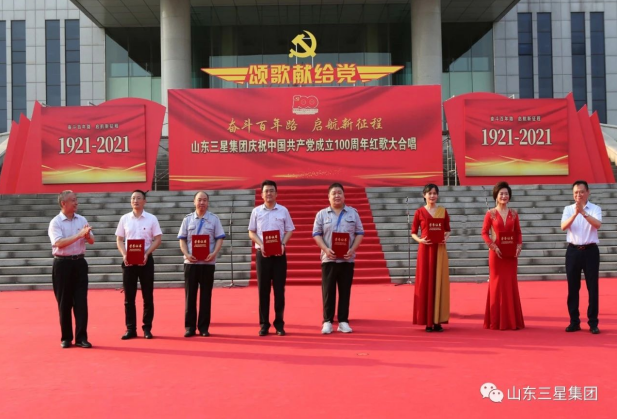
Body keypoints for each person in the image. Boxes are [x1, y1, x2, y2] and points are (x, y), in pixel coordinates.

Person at [313, 183, 364, 334]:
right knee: (328, 291)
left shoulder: (353, 213)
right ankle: (327, 321)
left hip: (347, 259)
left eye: (339, 193)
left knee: (345, 291)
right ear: (328, 197)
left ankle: (343, 321)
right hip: (329, 259)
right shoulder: (322, 214)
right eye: (333, 193)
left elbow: (360, 233)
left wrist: (352, 249)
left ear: (344, 195)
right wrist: (325, 249)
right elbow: (316, 234)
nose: (337, 196)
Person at [48, 190, 95, 348]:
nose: (76, 203)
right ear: (63, 203)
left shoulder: (81, 219)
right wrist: (79, 235)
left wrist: (87, 236)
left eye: (76, 199)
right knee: (64, 302)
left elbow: (92, 240)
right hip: (62, 265)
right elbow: (58, 243)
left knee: (81, 301)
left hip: (79, 263)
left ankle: (81, 337)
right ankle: (66, 338)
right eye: (73, 200)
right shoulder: (56, 222)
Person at [248, 180, 295, 336]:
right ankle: (264, 324)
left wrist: (283, 244)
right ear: (262, 194)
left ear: (276, 193)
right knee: (263, 290)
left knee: (279, 291)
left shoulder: (283, 210)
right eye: (266, 191)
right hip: (262, 255)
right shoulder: (256, 211)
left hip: (279, 255)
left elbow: (289, 229)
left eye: (272, 190)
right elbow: (251, 232)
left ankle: (279, 324)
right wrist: (261, 244)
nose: (269, 193)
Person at [115, 190, 162, 340]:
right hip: (129, 261)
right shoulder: (124, 219)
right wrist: (124, 254)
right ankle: (130, 329)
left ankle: (147, 328)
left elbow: (158, 239)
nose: (135, 200)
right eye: (133, 198)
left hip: (146, 261)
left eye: (138, 198)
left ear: (144, 201)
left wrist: (147, 253)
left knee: (147, 296)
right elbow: (119, 239)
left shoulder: (151, 219)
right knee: (129, 297)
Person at [178, 191, 226, 337]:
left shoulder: (214, 219)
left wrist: (214, 253)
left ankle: (204, 327)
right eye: (199, 200)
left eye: (205, 200)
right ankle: (190, 327)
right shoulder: (187, 219)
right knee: (190, 296)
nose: (202, 203)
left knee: (206, 296)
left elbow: (219, 238)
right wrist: (187, 254)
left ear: (208, 202)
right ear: (194, 202)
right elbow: (182, 240)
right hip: (190, 263)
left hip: (207, 263)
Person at [481, 181, 524, 330]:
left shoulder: (514, 214)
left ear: (509, 196)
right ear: (496, 196)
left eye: (506, 194)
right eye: (501, 194)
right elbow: (484, 232)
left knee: (510, 284)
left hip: (511, 255)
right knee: (496, 284)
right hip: (496, 254)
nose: (504, 196)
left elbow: (518, 232)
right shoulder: (490, 213)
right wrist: (492, 246)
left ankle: (512, 320)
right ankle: (496, 320)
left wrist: (519, 245)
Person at [560, 180, 602, 334]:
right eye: (576, 192)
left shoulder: (595, 208)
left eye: (582, 192)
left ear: (587, 192)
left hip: (591, 251)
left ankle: (593, 322)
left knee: (592, 288)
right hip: (573, 251)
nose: (579, 195)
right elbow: (563, 227)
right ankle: (574, 321)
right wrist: (575, 214)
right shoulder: (568, 209)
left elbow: (597, 224)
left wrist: (583, 213)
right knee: (573, 288)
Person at [411, 184, 451, 332]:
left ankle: (437, 321)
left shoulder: (443, 211)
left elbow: (447, 230)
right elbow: (413, 232)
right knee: (426, 282)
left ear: (437, 195)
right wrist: (420, 240)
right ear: (424, 195)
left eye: (434, 193)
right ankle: (427, 321)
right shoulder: (419, 212)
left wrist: (445, 237)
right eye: (429, 193)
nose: (432, 196)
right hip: (425, 250)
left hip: (439, 249)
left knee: (438, 281)